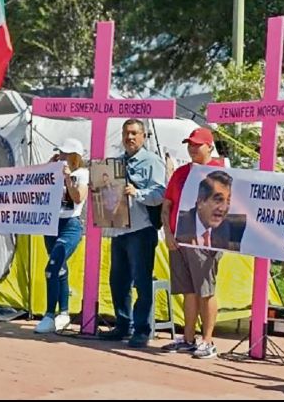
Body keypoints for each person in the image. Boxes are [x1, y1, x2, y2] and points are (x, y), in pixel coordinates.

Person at [98, 119, 166, 348]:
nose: (130, 138)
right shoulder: (115, 163)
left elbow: (160, 193)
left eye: (135, 134)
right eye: (127, 133)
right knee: (118, 281)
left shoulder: (151, 161)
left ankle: (142, 330)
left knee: (142, 281)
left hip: (141, 228)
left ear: (144, 136)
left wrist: (137, 192)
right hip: (119, 229)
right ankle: (122, 325)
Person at [161, 127, 226, 359]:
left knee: (206, 290)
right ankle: (188, 338)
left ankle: (208, 340)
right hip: (180, 238)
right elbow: (166, 205)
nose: (192, 148)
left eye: (197, 144)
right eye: (190, 144)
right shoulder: (180, 173)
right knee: (187, 290)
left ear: (209, 146)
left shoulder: (221, 172)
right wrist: (168, 233)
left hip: (206, 240)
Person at [34, 138, 89, 333]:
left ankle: (49, 314)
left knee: (52, 266)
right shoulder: (54, 169)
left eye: (66, 154)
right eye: (60, 153)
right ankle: (63, 313)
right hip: (51, 223)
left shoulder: (82, 174)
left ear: (74, 157)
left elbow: (78, 198)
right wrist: (49, 167)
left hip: (70, 224)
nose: (62, 157)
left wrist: (67, 178)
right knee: (60, 269)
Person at [175, 170, 245, 252]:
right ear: (200, 202)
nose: (223, 208)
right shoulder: (180, 225)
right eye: (218, 200)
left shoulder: (224, 229)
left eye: (228, 201)